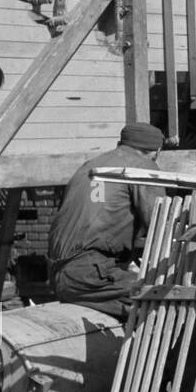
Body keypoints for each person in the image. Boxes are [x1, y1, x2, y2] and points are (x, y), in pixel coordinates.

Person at [47, 122, 165, 320]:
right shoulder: (143, 165)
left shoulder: (92, 166)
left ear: (120, 143)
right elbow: (161, 224)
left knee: (136, 310)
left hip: (62, 276)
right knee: (167, 297)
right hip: (92, 275)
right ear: (156, 151)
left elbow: (99, 217)